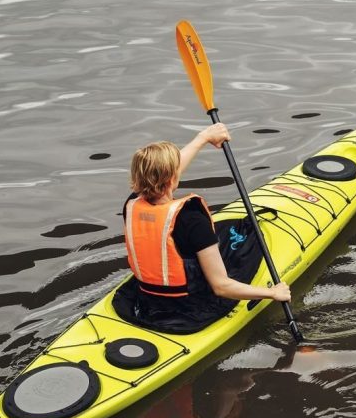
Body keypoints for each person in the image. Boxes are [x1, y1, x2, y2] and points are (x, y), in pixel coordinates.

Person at [122, 123, 290, 307]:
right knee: (244, 243)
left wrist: (204, 137)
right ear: (171, 179)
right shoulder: (192, 220)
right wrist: (273, 293)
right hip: (190, 308)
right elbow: (221, 287)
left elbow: (167, 172)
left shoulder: (132, 204)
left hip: (147, 300)